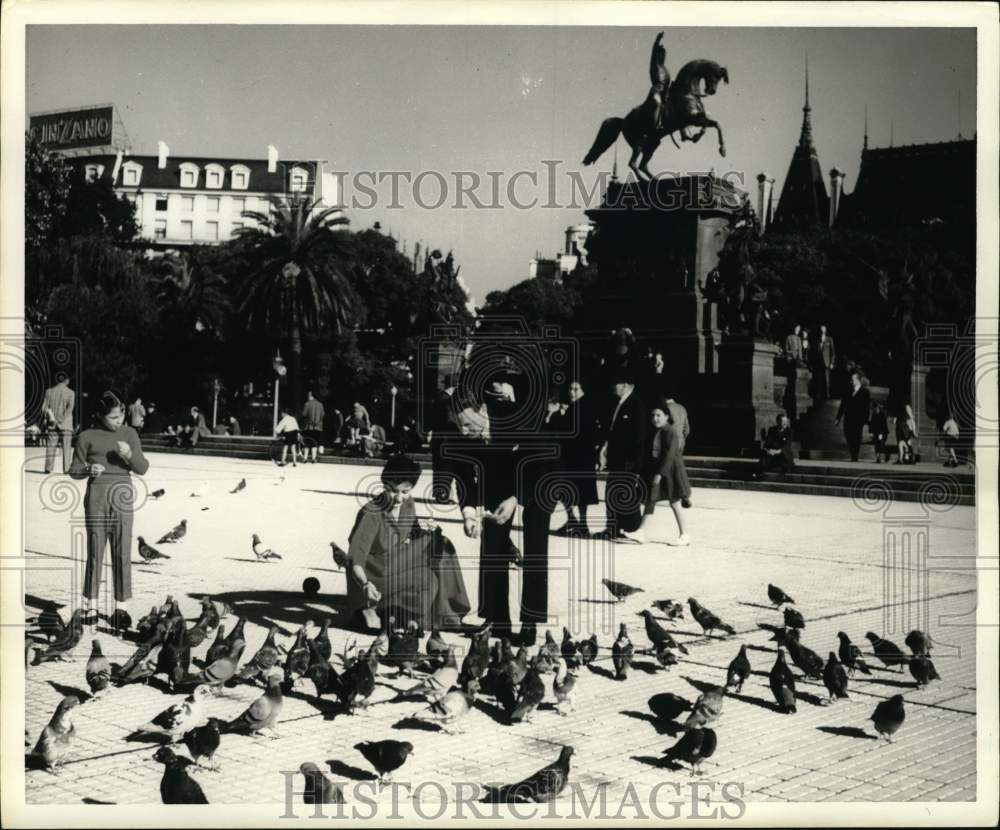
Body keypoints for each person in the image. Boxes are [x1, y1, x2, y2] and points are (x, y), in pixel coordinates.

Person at [346, 454, 470, 631]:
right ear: (383, 485)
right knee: (439, 546)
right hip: (373, 573)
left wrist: (428, 529)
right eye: (392, 490)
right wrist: (365, 585)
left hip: (396, 563)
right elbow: (355, 561)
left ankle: (431, 616)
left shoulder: (408, 504)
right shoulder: (371, 513)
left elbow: (413, 532)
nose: (398, 498)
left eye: (404, 492)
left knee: (431, 571)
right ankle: (444, 617)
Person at [69, 390, 149, 632]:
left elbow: (143, 468)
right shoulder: (86, 436)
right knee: (95, 550)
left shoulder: (130, 433)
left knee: (122, 550)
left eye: (121, 416)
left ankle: (120, 606)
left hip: (122, 495)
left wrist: (129, 455)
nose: (119, 422)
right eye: (113, 417)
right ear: (100, 416)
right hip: (96, 496)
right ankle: (90, 605)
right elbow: (73, 470)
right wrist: (87, 470)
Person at [597, 369, 647, 543]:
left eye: (616, 383)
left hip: (628, 460)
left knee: (626, 494)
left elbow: (639, 436)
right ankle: (613, 528)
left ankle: (633, 530)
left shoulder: (636, 404)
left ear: (625, 385)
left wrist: (632, 461)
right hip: (617, 458)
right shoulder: (619, 403)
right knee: (612, 491)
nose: (613, 386)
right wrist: (605, 449)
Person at [640, 401, 692, 546]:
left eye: (658, 415)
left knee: (675, 502)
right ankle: (641, 531)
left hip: (671, 471)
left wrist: (659, 473)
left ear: (666, 416)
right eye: (653, 415)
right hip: (663, 470)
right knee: (651, 499)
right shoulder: (660, 431)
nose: (655, 418)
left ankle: (684, 534)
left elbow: (669, 455)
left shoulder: (670, 431)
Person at [557, 380, 600, 537]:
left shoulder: (580, 408)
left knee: (573, 491)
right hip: (578, 456)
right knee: (576, 491)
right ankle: (577, 521)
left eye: (576, 389)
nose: (572, 392)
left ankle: (577, 522)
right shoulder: (576, 407)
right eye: (570, 389)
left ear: (583, 391)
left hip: (578, 456)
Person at [429, 376, 461, 503]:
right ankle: (443, 494)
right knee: (446, 466)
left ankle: (441, 493)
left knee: (439, 466)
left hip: (439, 437)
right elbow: (449, 419)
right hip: (447, 438)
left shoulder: (440, 397)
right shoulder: (447, 399)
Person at [835, 372, 871, 462]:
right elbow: (842, 405)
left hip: (858, 419)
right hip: (848, 418)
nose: (851, 381)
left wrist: (866, 421)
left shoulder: (865, 392)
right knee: (849, 436)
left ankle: (855, 455)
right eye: (851, 379)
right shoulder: (848, 391)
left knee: (857, 437)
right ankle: (852, 452)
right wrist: (838, 418)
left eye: (853, 379)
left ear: (858, 380)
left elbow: (867, 407)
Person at [42, 375, 75, 474]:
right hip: (66, 424)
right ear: (67, 380)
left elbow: (44, 408)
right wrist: (61, 420)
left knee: (51, 445)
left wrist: (52, 418)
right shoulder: (71, 393)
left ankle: (48, 468)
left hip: (52, 423)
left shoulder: (49, 391)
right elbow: (70, 409)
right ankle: (66, 469)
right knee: (67, 446)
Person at [301, 390, 325, 463]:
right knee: (314, 443)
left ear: (311, 396)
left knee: (307, 443)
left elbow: (304, 414)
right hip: (318, 427)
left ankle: (305, 458)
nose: (308, 397)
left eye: (309, 395)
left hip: (308, 426)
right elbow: (322, 415)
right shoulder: (320, 404)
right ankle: (314, 458)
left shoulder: (307, 404)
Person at [817, 325, 836, 399]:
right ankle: (819, 394)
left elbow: (833, 353)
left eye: (823, 329)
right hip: (819, 362)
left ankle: (828, 394)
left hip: (827, 362)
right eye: (821, 329)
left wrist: (832, 363)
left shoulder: (829, 339)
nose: (822, 330)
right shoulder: (818, 340)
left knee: (827, 379)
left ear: (826, 330)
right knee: (819, 379)